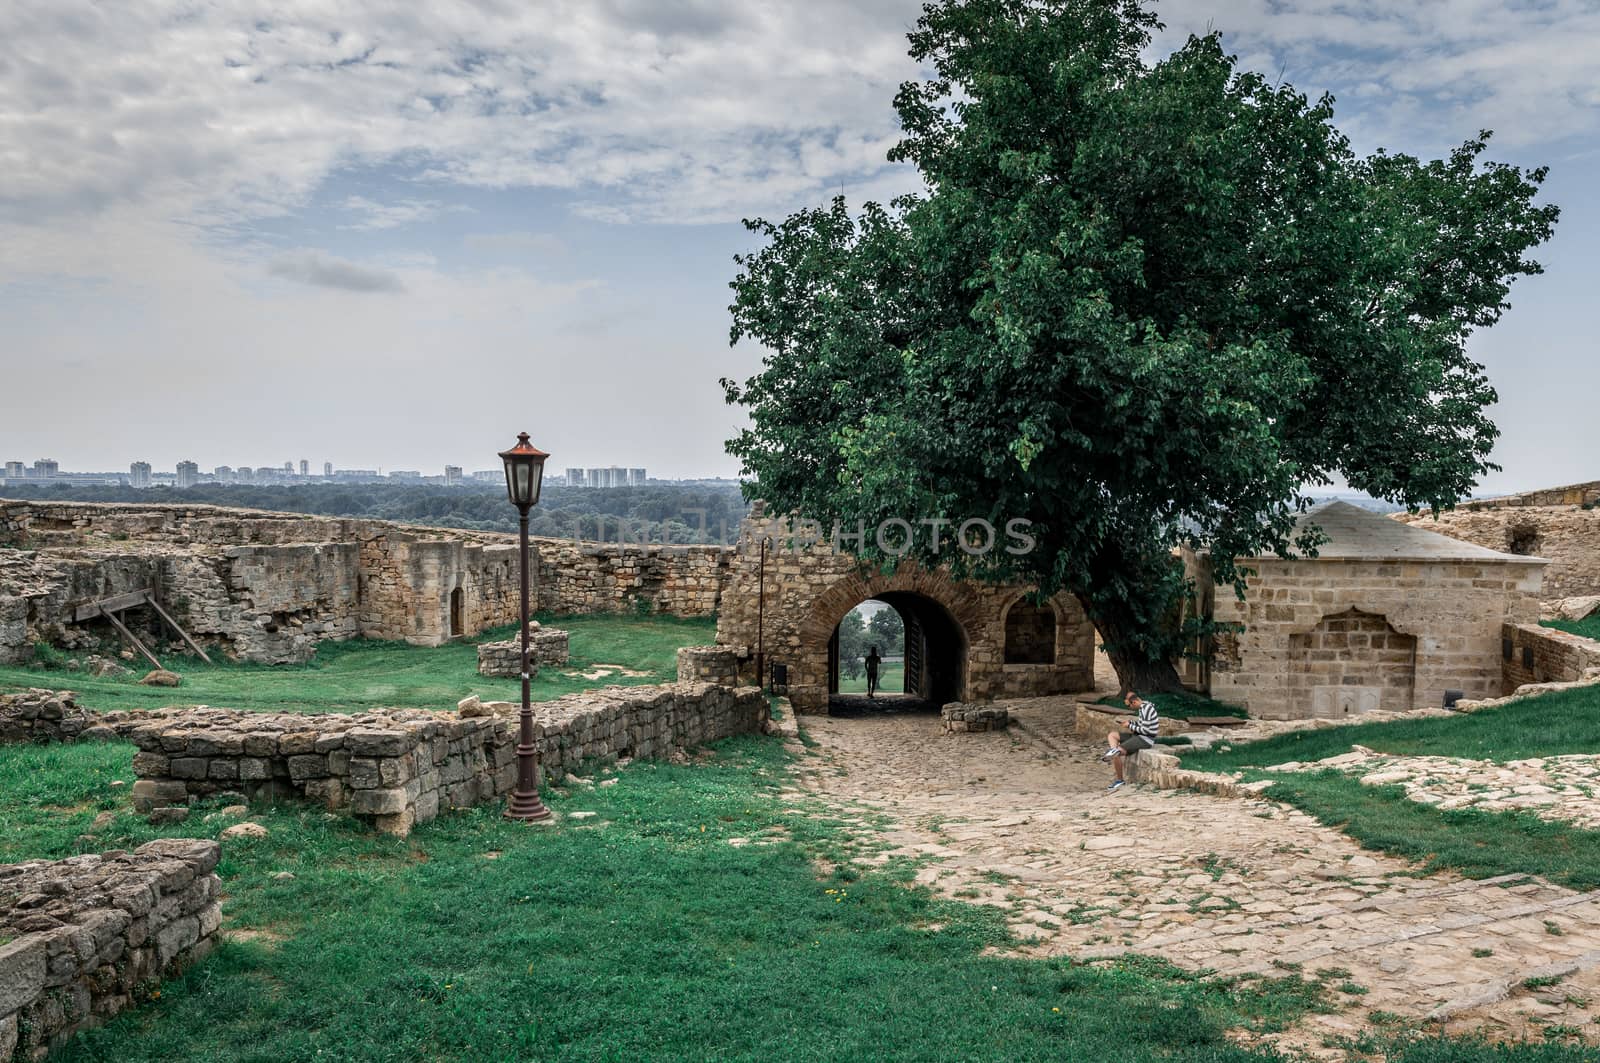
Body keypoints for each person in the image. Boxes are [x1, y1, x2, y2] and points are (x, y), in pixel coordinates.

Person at [1100, 690, 1158, 792]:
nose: (1130, 708)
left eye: (1129, 706)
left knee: (1117, 753)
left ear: (1134, 702)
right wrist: (1130, 723)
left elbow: (1147, 730)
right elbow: (1142, 725)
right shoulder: (1142, 707)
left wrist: (1130, 726)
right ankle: (1113, 751)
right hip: (1138, 736)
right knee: (1112, 735)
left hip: (1145, 739)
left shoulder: (1147, 709)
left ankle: (1120, 780)